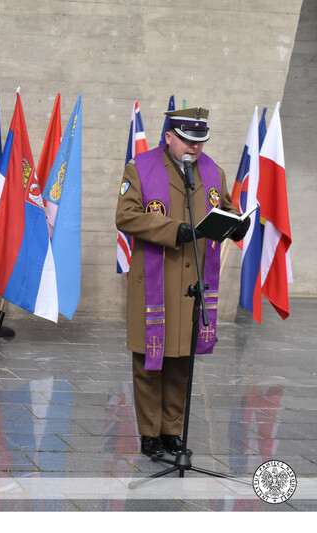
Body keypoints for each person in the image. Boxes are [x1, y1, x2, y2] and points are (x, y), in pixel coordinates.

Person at [115, 107, 249, 457]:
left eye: (200, 142)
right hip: (154, 281)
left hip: (193, 284)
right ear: (169, 137)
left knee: (180, 360)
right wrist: (175, 229)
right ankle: (149, 434)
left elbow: (227, 210)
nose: (195, 149)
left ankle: (172, 431)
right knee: (149, 361)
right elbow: (125, 216)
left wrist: (238, 224)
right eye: (188, 142)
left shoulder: (212, 171)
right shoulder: (140, 168)